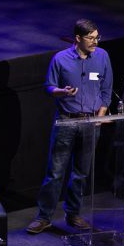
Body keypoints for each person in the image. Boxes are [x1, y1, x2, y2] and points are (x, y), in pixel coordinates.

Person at [27, 19, 113, 234]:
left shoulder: (102, 56)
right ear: (78, 38)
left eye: (97, 37)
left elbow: (107, 89)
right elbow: (49, 87)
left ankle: (73, 214)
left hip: (91, 122)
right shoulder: (60, 59)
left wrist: (100, 116)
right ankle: (44, 217)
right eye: (90, 38)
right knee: (55, 172)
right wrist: (62, 92)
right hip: (66, 121)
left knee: (81, 172)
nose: (95, 42)